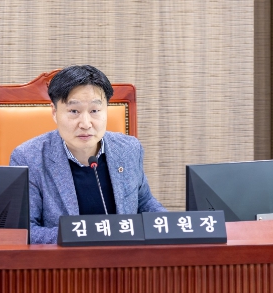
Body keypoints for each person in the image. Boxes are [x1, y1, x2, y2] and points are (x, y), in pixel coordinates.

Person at [10, 65, 166, 243]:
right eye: (74, 111)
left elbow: (145, 203)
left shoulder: (129, 149)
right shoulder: (29, 157)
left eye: (94, 111)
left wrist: (171, 226)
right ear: (54, 112)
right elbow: (25, 231)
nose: (85, 124)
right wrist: (84, 235)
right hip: (66, 259)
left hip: (124, 257)